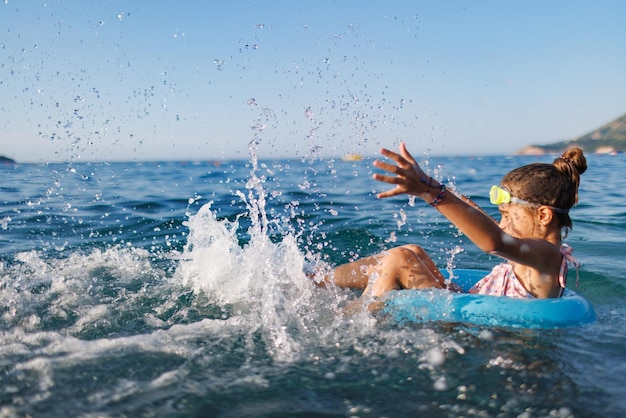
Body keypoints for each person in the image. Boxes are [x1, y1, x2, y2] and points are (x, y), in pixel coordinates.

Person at [319, 142, 586, 306]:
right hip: (467, 310)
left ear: (543, 216)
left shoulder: (548, 256)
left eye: (507, 216)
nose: (501, 224)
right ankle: (317, 281)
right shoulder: (530, 248)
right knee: (412, 251)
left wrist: (430, 195)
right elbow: (475, 214)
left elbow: (492, 241)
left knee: (401, 258)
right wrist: (427, 183)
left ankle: (346, 322)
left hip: (473, 330)